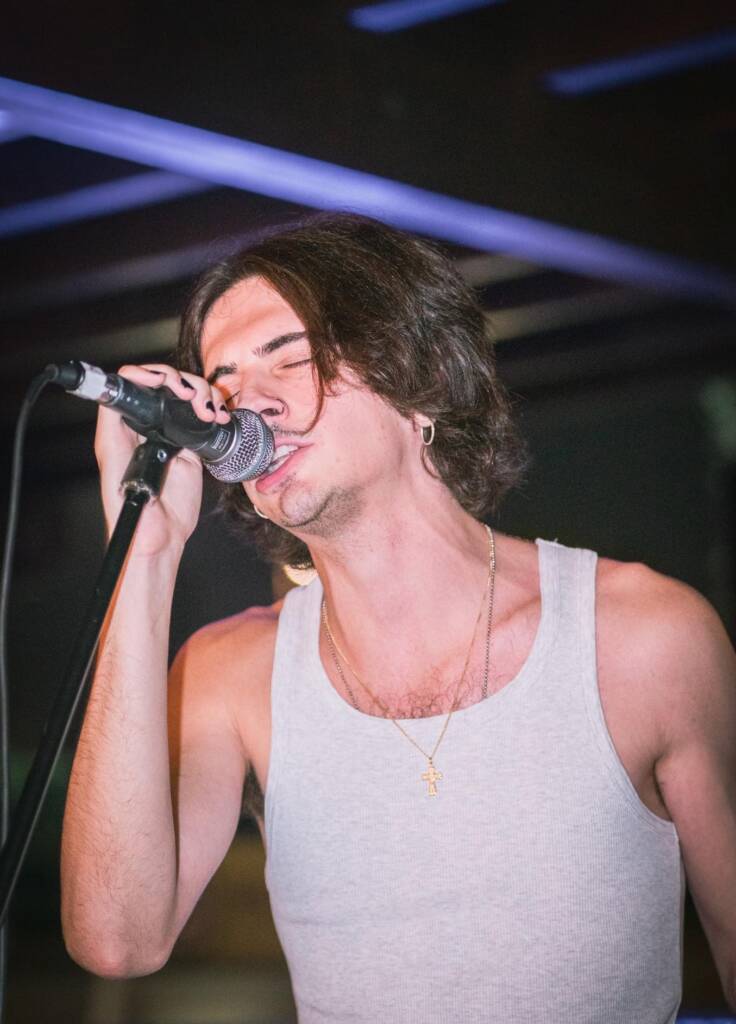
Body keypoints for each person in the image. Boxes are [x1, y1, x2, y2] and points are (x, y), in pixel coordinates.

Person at [60, 214, 736, 1022]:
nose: (247, 404)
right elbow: (117, 941)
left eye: (290, 356)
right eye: (223, 380)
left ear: (418, 378)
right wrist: (144, 555)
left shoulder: (644, 636)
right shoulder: (229, 675)